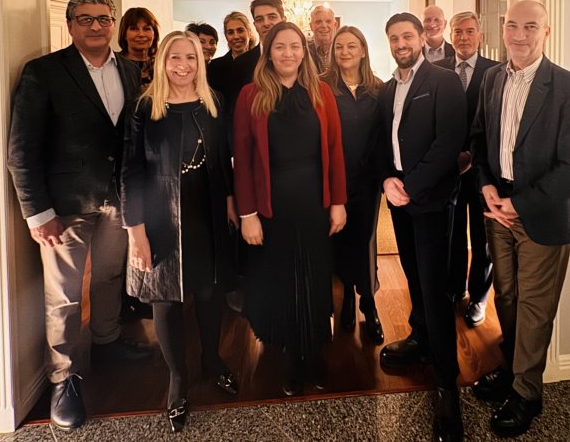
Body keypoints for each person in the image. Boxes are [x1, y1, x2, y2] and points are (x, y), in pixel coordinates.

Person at [7, 0, 151, 431]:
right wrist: (37, 212)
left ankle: (107, 339)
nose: (95, 26)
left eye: (103, 18)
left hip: (117, 201)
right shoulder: (44, 72)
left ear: (113, 24)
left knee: (108, 277)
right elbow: (21, 149)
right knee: (64, 296)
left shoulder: (130, 70)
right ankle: (63, 378)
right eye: (85, 18)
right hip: (64, 207)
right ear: (70, 25)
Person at [470, 0, 570, 438]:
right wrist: (486, 185)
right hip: (496, 210)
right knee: (506, 297)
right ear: (502, 29)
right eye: (512, 25)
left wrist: (519, 204)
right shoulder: (492, 78)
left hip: (542, 216)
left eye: (530, 26)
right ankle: (511, 370)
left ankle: (527, 393)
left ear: (546, 31)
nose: (519, 35)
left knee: (535, 308)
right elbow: (480, 139)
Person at [121, 30, 239, 432]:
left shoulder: (213, 102)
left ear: (200, 62)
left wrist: (231, 201)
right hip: (160, 216)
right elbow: (130, 172)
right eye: (175, 57)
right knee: (166, 299)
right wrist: (135, 230)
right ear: (162, 62)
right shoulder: (143, 108)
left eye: (191, 57)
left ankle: (212, 360)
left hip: (207, 210)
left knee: (208, 291)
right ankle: (177, 379)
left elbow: (222, 159)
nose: (183, 65)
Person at [233, 22, 347, 397]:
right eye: (280, 46)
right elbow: (243, 159)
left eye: (295, 46)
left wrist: (338, 202)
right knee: (281, 278)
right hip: (271, 205)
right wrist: (247, 214)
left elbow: (335, 150)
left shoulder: (322, 92)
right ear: (268, 52)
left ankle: (314, 350)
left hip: (314, 201)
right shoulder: (251, 95)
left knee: (315, 277)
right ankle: (290, 354)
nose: (288, 53)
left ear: (304, 51)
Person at [377, 12, 466, 441]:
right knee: (413, 275)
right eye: (394, 38)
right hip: (399, 198)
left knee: (435, 288)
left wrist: (409, 187)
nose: (401, 43)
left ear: (421, 37)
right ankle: (421, 339)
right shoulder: (387, 88)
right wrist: (387, 180)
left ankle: (447, 385)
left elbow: (449, 143)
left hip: (429, 200)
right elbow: (381, 141)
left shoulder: (444, 81)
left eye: (407, 36)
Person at [435, 11, 499, 327]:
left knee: (482, 237)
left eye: (469, 31)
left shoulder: (496, 72)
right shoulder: (438, 71)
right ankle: (455, 287)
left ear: (480, 35)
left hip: (483, 169)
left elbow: (497, 123)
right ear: (451, 36)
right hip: (448, 168)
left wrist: (473, 156)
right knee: (453, 233)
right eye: (458, 32)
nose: (463, 37)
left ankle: (479, 297)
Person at [321, 26, 384, 344]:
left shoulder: (379, 89)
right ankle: (346, 295)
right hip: (334, 179)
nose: (345, 52)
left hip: (368, 180)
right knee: (340, 239)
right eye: (339, 47)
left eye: (352, 46)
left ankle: (369, 304)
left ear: (363, 50)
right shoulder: (322, 87)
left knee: (365, 240)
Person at [207, 11, 257, 148]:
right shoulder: (214, 67)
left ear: (249, 32)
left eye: (240, 30)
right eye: (230, 32)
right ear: (226, 36)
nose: (236, 36)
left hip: (257, 129)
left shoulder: (261, 63)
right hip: (226, 134)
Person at [231, 0, 286, 102]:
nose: (266, 23)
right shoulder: (240, 63)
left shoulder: (297, 58)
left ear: (283, 21)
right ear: (255, 25)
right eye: (260, 19)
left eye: (272, 17)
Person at [118, 7, 160, 90]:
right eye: (134, 29)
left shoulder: (162, 64)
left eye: (146, 29)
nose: (141, 34)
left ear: (154, 34)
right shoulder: (115, 63)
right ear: (124, 34)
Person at [308, 5, 338, 73]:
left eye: (328, 21)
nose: (324, 26)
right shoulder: (304, 52)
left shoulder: (342, 50)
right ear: (311, 26)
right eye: (318, 22)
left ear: (335, 25)